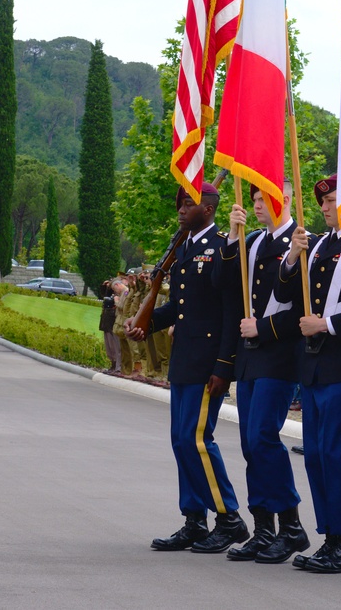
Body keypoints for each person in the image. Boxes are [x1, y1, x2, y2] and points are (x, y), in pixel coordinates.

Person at [126, 182, 247, 554]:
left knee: (196, 441)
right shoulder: (186, 249)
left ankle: (229, 518)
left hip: (208, 364)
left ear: (208, 209)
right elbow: (183, 308)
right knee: (181, 443)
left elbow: (232, 312)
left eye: (188, 203)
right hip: (185, 362)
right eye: (179, 203)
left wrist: (224, 366)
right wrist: (147, 322)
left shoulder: (223, 248)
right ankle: (194, 520)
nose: (180, 209)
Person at [274, 174, 341, 573]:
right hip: (315, 366)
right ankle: (330, 537)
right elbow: (287, 295)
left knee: (336, 455)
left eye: (333, 199)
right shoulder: (319, 244)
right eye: (322, 200)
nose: (323, 206)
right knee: (316, 456)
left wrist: (328, 325)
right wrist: (289, 259)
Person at [222, 180, 309, 564]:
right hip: (250, 356)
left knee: (262, 437)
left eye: (264, 199)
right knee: (248, 444)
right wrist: (232, 236)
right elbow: (222, 286)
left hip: (279, 354)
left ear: (285, 199)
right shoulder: (253, 241)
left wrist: (265, 328)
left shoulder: (302, 241)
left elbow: (304, 307)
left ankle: (291, 526)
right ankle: (263, 528)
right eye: (254, 199)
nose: (256, 205)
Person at [98, 279, 121, 373]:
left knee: (115, 346)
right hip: (107, 321)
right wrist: (105, 287)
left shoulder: (123, 293)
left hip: (114, 321)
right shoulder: (113, 293)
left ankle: (117, 366)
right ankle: (113, 364)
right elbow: (104, 297)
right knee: (109, 346)